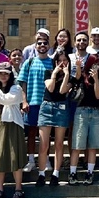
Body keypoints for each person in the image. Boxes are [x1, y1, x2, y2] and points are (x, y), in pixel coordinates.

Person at [0, 62, 27, 198]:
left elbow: (5, 100)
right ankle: (0, 189)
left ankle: (18, 188)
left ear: (10, 75)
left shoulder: (16, 88)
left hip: (13, 125)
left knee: (15, 156)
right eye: (0, 73)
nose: (3, 76)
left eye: (5, 73)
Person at [35, 53, 72, 187]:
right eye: (59, 61)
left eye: (65, 61)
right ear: (55, 62)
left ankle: (56, 174)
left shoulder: (71, 77)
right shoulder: (48, 72)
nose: (62, 63)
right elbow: (50, 88)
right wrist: (55, 73)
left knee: (59, 143)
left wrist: (66, 74)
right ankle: (41, 173)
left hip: (61, 109)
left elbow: (62, 91)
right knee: (44, 144)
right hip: (46, 108)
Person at [18, 36, 53, 173]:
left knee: (46, 134)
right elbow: (22, 83)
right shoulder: (29, 61)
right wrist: (24, 101)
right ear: (36, 46)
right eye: (39, 43)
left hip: (48, 103)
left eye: (45, 43)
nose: (42, 45)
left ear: (49, 46)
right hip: (32, 103)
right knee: (32, 132)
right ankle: (31, 160)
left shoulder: (53, 62)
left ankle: (46, 160)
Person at [69, 54, 99, 186]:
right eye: (94, 63)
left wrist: (96, 79)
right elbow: (77, 76)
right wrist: (79, 66)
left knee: (93, 146)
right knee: (77, 144)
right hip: (81, 111)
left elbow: (98, 96)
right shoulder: (82, 77)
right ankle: (72, 173)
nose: (96, 66)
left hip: (95, 112)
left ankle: (89, 173)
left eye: (98, 64)